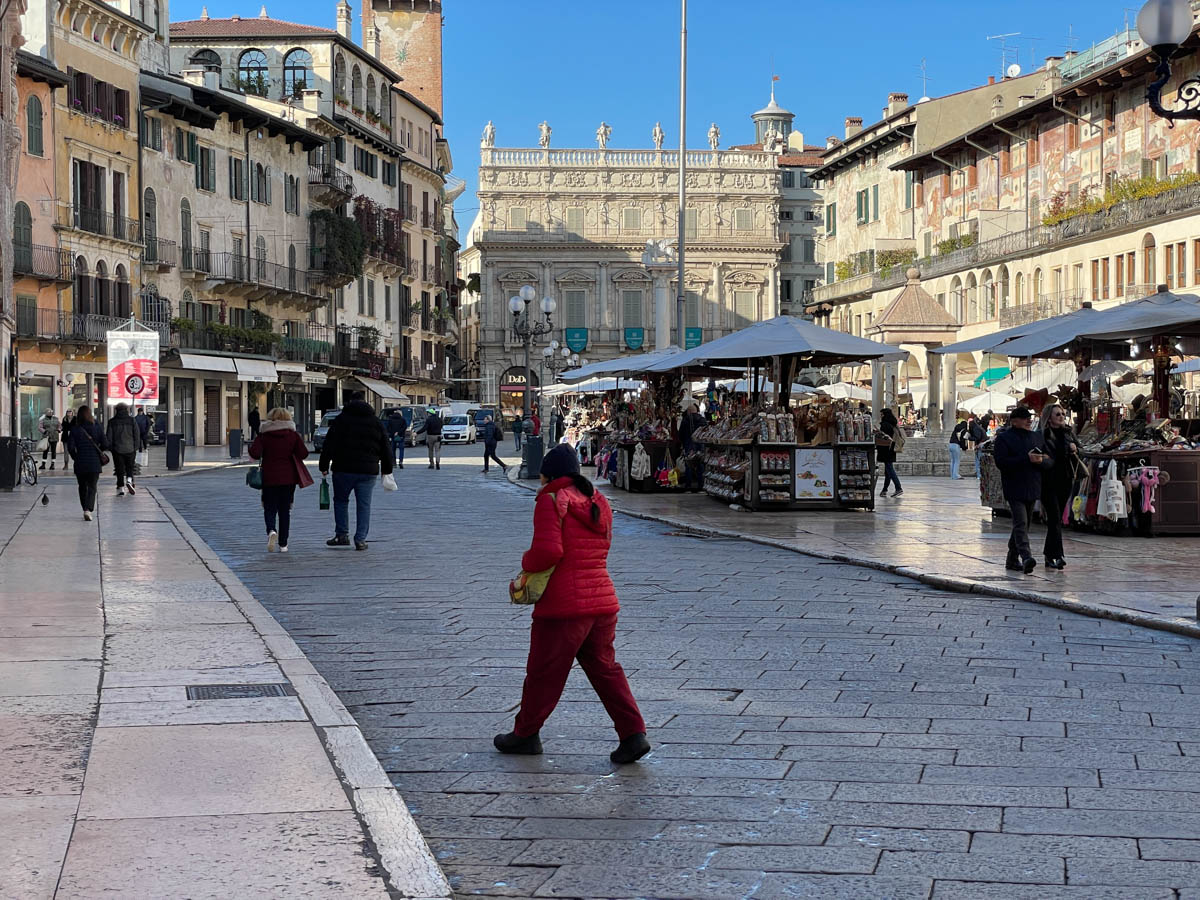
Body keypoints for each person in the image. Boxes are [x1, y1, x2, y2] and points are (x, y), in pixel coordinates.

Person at [493, 444, 650, 765]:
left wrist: (524, 563)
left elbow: (548, 552)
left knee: (543, 672)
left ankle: (525, 734)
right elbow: (602, 546)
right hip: (603, 602)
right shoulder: (598, 500)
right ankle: (633, 734)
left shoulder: (551, 500)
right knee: (606, 670)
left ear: (548, 474)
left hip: (564, 606)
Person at [318, 391, 393, 551]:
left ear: (349, 402)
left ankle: (341, 535)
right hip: (368, 470)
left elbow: (329, 444)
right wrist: (386, 469)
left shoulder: (340, 420)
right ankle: (360, 539)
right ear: (365, 402)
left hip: (343, 469)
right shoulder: (375, 422)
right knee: (364, 505)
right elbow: (386, 447)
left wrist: (323, 465)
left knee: (341, 501)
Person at [993, 405, 1054, 575]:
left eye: (1030, 418)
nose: (1029, 420)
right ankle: (1026, 557)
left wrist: (1041, 461)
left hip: (1033, 485)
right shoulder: (1004, 439)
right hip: (1014, 486)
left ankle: (1012, 559)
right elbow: (1001, 462)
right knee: (1020, 522)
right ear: (1014, 421)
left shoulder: (1036, 437)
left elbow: (1049, 461)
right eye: (1025, 418)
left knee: (1024, 525)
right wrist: (1025, 459)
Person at [249, 407, 310, 553]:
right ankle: (283, 544)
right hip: (289, 478)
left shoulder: (264, 435)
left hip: (269, 477)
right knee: (285, 510)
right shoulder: (293, 435)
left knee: (269, 507)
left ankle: (271, 531)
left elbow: (255, 453)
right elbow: (304, 454)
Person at [1040, 403, 1078, 571]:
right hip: (1048, 481)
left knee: (1056, 520)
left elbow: (1081, 451)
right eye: (1058, 414)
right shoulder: (1042, 435)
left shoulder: (1069, 433)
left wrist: (1075, 449)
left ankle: (1049, 555)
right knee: (1055, 518)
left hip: (1065, 479)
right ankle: (1058, 555)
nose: (1062, 417)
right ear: (1049, 418)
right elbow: (1040, 456)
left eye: (1063, 413)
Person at [65, 407, 108, 521]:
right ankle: (89, 509)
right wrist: (99, 451)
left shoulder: (75, 429)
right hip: (94, 462)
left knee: (82, 486)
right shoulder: (97, 427)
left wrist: (75, 457)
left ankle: (85, 509)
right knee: (92, 487)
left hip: (80, 462)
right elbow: (105, 444)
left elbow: (70, 447)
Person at [106, 403, 141, 496]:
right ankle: (129, 480)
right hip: (130, 448)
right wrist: (135, 447)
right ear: (126, 410)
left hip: (117, 449)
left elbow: (109, 437)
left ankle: (121, 487)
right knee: (130, 467)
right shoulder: (132, 420)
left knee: (119, 469)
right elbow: (137, 435)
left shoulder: (112, 422)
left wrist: (111, 448)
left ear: (116, 410)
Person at [679, 402, 707, 491]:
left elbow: (681, 434)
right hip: (700, 445)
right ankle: (701, 485)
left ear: (689, 411)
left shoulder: (685, 420)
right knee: (700, 465)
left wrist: (683, 444)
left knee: (689, 464)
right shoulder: (702, 420)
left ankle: (688, 485)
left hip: (689, 445)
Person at [877, 408, 904, 497]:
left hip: (886, 449)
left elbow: (884, 437)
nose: (881, 416)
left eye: (882, 415)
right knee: (887, 470)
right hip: (891, 449)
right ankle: (884, 489)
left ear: (885, 415)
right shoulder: (893, 424)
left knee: (889, 469)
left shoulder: (885, 425)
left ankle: (898, 487)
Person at [948, 415, 969, 480]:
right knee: (957, 461)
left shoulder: (955, 429)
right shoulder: (964, 431)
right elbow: (963, 440)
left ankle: (952, 475)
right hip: (956, 445)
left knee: (952, 460)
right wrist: (964, 448)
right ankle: (956, 475)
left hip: (950, 444)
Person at [968, 414, 985, 478]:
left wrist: (969, 438)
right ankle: (979, 474)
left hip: (981, 445)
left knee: (978, 460)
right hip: (981, 444)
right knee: (978, 460)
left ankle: (979, 475)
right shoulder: (978, 427)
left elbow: (977, 437)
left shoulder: (975, 428)